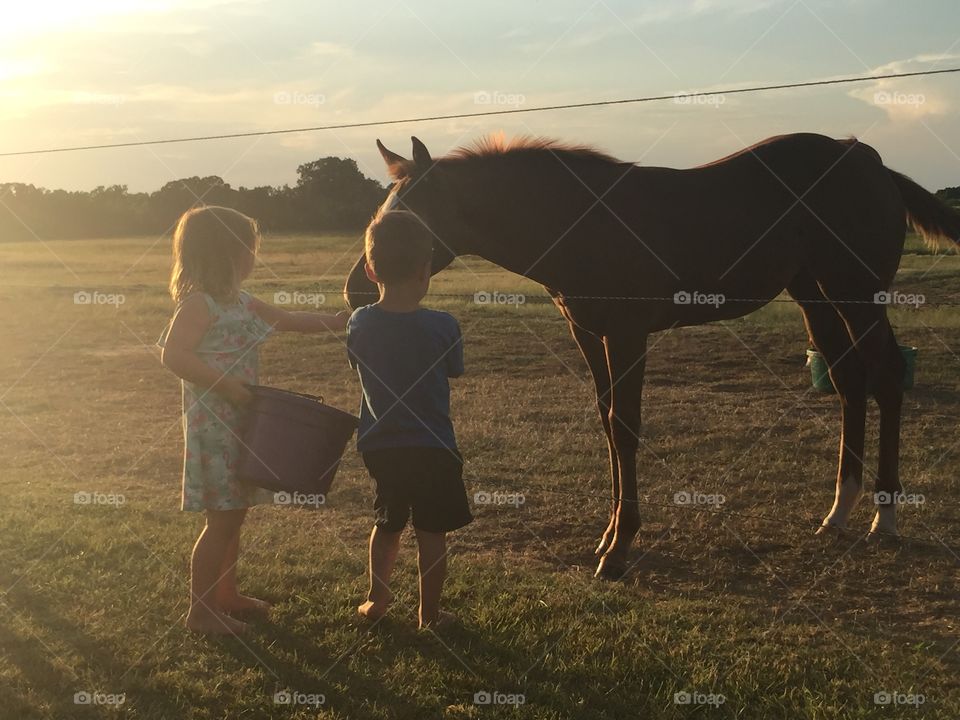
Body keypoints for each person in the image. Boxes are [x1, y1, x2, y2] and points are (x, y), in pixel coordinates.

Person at [159, 205, 348, 635]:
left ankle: (226, 594)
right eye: (249, 249)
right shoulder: (199, 304)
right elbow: (174, 355)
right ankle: (201, 612)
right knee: (221, 520)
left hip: (244, 425)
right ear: (225, 253)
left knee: (235, 514)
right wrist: (225, 385)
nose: (253, 258)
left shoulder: (243, 302)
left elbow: (289, 320)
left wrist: (339, 322)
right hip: (215, 428)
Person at [347, 210, 471, 629]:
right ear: (426, 271)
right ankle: (430, 615)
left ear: (369, 270)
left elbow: (356, 364)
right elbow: (454, 369)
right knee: (432, 532)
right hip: (434, 446)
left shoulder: (359, 322)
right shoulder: (443, 325)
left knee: (387, 523)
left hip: (382, 447)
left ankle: (376, 602)